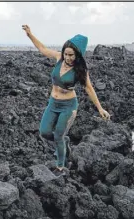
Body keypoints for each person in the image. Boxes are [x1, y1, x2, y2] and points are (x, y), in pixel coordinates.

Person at [22, 24, 111, 177]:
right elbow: (42, 49)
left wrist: (100, 108)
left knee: (58, 136)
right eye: (66, 54)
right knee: (44, 132)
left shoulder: (80, 70)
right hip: (53, 103)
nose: (68, 58)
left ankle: (60, 167)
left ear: (78, 55)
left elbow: (89, 89)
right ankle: (65, 141)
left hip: (68, 106)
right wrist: (30, 34)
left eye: (72, 55)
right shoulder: (58, 58)